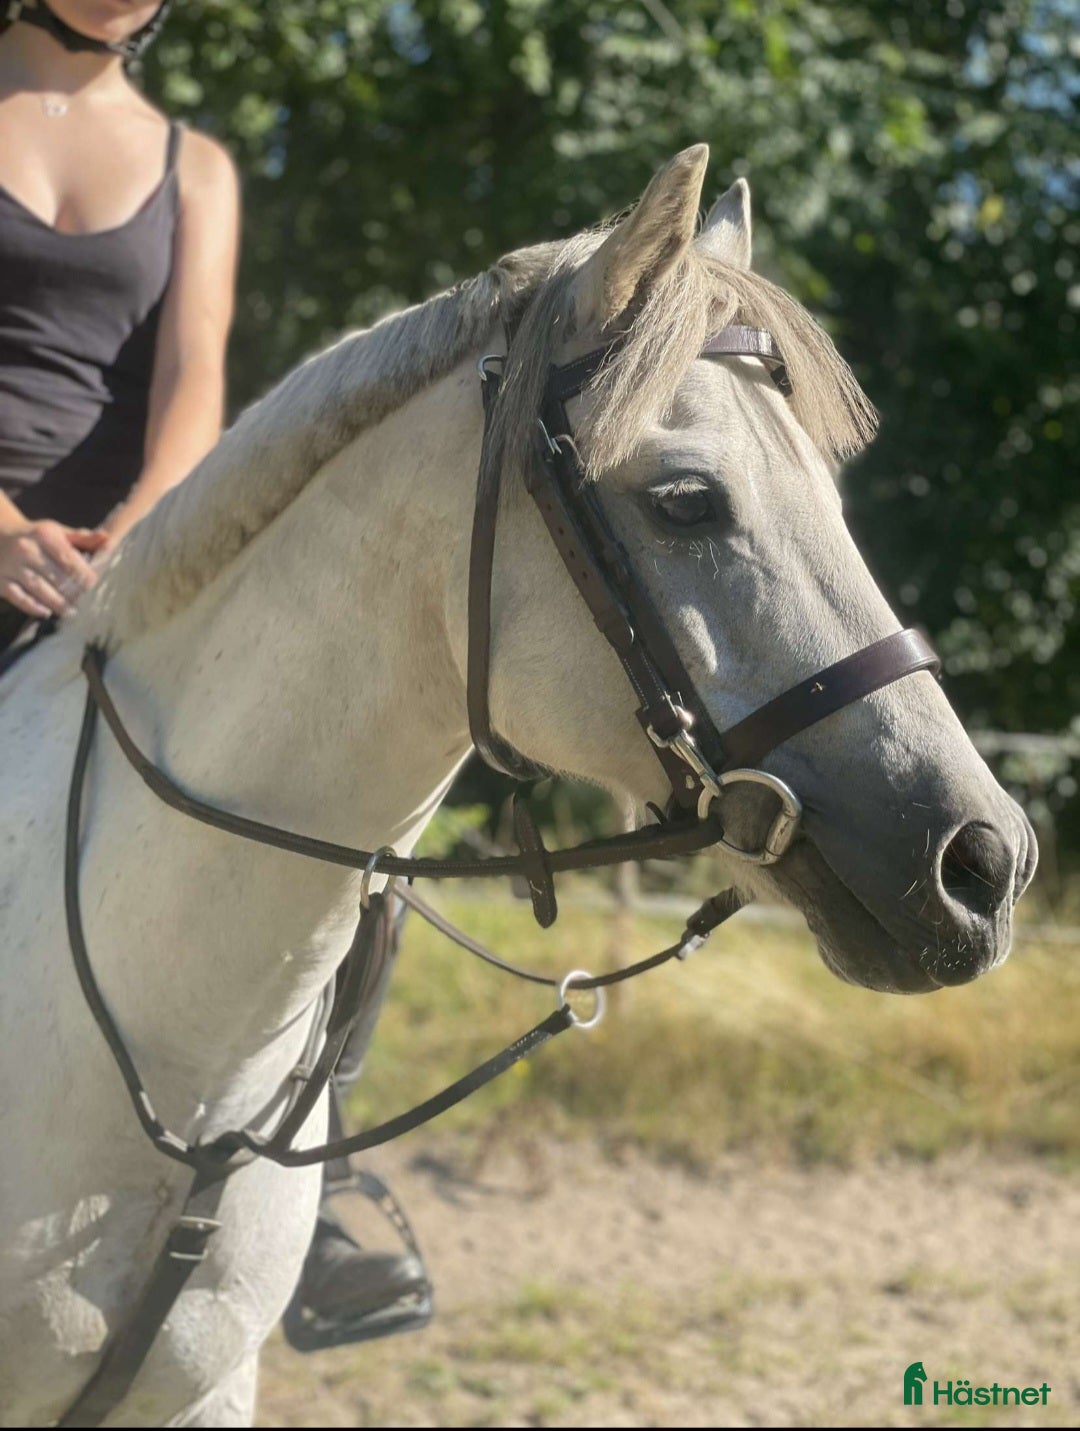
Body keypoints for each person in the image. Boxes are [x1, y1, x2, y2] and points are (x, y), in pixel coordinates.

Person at [0, 0, 429, 1347]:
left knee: (330, 816)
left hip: (123, 566)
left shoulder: (196, 166)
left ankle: (315, 1180)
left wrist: (142, 541)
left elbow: (192, 385)